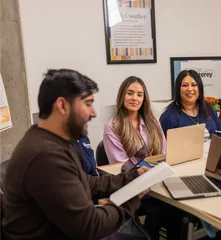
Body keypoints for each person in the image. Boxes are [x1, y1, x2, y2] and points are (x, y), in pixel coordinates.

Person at [3, 69, 149, 240]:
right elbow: (90, 227)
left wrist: (132, 177)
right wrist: (131, 199)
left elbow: (90, 183)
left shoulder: (51, 142)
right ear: (62, 106)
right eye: (87, 104)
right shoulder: (46, 156)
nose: (93, 113)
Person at [103, 76, 166, 167]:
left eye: (139, 95)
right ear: (122, 95)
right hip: (131, 178)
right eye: (130, 93)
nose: (134, 98)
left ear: (144, 99)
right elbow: (121, 166)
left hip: (158, 173)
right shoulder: (112, 127)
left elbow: (164, 152)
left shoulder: (154, 121)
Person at [160, 69, 221, 139]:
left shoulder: (208, 109)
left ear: (199, 89)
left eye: (194, 85)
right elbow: (164, 147)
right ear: (178, 89)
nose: (190, 89)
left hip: (213, 149)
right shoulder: (168, 117)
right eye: (185, 85)